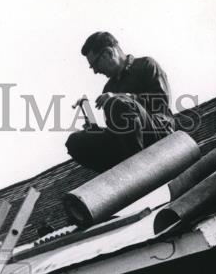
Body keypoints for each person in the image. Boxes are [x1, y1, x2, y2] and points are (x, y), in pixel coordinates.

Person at [66, 31, 177, 172]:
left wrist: (122, 98)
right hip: (128, 145)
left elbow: (161, 106)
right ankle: (116, 176)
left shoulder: (146, 65)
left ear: (108, 53)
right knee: (76, 141)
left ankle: (136, 170)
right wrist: (94, 130)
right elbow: (118, 130)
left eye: (95, 64)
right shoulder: (109, 87)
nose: (95, 71)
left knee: (117, 103)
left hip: (158, 134)